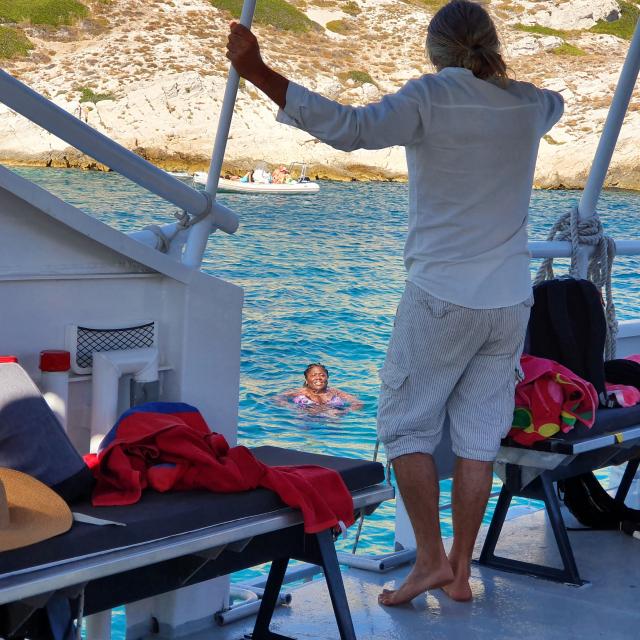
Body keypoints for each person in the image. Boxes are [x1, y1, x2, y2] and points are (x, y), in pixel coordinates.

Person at [227, 0, 563, 607]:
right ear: (490, 45)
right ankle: (459, 571)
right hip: (510, 300)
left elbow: (349, 129)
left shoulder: (430, 98)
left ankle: (429, 561)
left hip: (442, 296)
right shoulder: (527, 105)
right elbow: (555, 103)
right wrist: (512, 84)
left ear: (435, 51)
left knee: (406, 425)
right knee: (478, 437)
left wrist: (257, 71)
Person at [277, 363, 362, 412]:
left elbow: (357, 403)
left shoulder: (335, 392)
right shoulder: (300, 392)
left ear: (327, 378)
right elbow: (277, 399)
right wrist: (291, 408)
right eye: (313, 375)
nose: (318, 378)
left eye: (322, 375)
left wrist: (344, 411)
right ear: (306, 379)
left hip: (332, 424)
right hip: (307, 422)